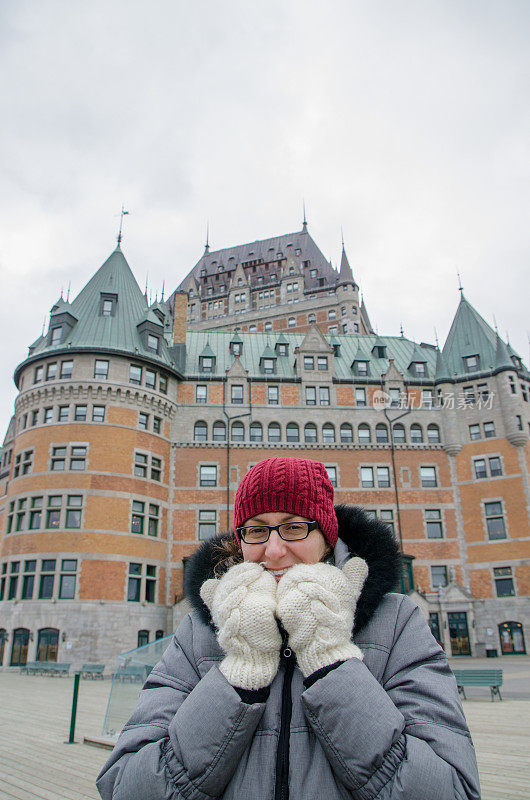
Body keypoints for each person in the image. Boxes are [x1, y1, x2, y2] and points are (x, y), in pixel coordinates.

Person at [97, 457, 481, 800]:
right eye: (257, 530)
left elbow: (451, 788)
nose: (275, 550)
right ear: (241, 540)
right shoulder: (197, 632)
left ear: (327, 538)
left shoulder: (397, 622)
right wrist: (240, 671)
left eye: (294, 527)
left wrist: (329, 660)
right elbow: (126, 785)